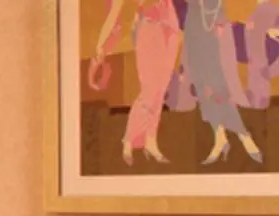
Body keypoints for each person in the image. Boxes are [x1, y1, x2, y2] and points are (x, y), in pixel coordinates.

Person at [98, 0, 184, 165]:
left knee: (160, 90)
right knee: (149, 90)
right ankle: (129, 138)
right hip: (149, 29)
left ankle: (150, 140)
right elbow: (115, 11)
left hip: (170, 28)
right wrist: (101, 43)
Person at [182, 0, 263, 165]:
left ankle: (244, 136)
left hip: (214, 50)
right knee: (205, 94)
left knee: (220, 94)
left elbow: (221, 18)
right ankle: (220, 137)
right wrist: (185, 67)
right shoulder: (192, 8)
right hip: (196, 53)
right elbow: (189, 37)